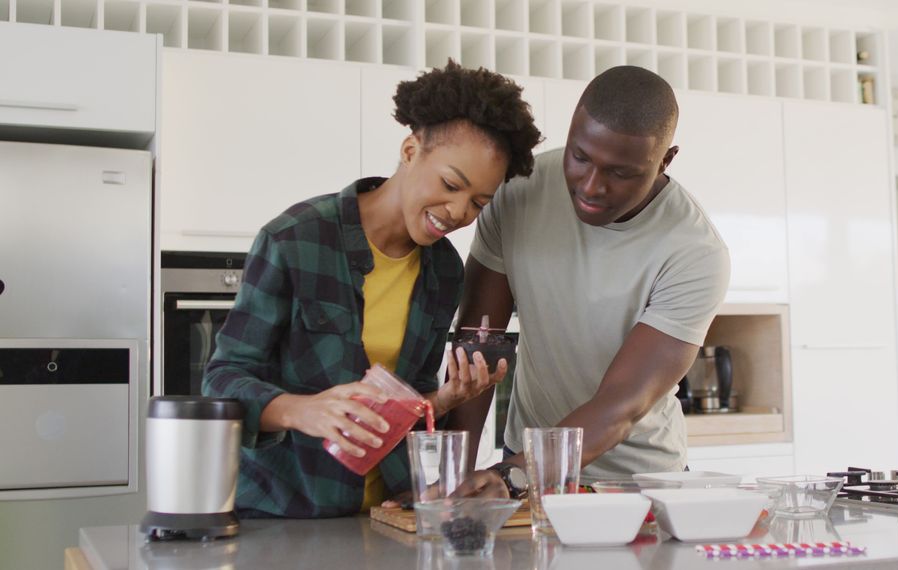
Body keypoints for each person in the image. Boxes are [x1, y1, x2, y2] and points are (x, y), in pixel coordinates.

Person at [203, 61, 542, 518]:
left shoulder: (443, 270)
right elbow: (221, 382)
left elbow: (406, 401)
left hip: (386, 514)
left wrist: (445, 399)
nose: (459, 212)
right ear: (409, 149)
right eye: (450, 184)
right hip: (287, 514)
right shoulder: (296, 240)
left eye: (478, 202)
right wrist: (301, 410)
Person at [447, 66, 730, 497]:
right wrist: (455, 477)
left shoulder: (694, 251)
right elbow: (478, 343)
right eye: (580, 157)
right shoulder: (520, 189)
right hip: (526, 463)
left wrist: (514, 475)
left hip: (638, 481)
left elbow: (621, 404)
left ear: (665, 161)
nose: (591, 186)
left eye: (620, 173)